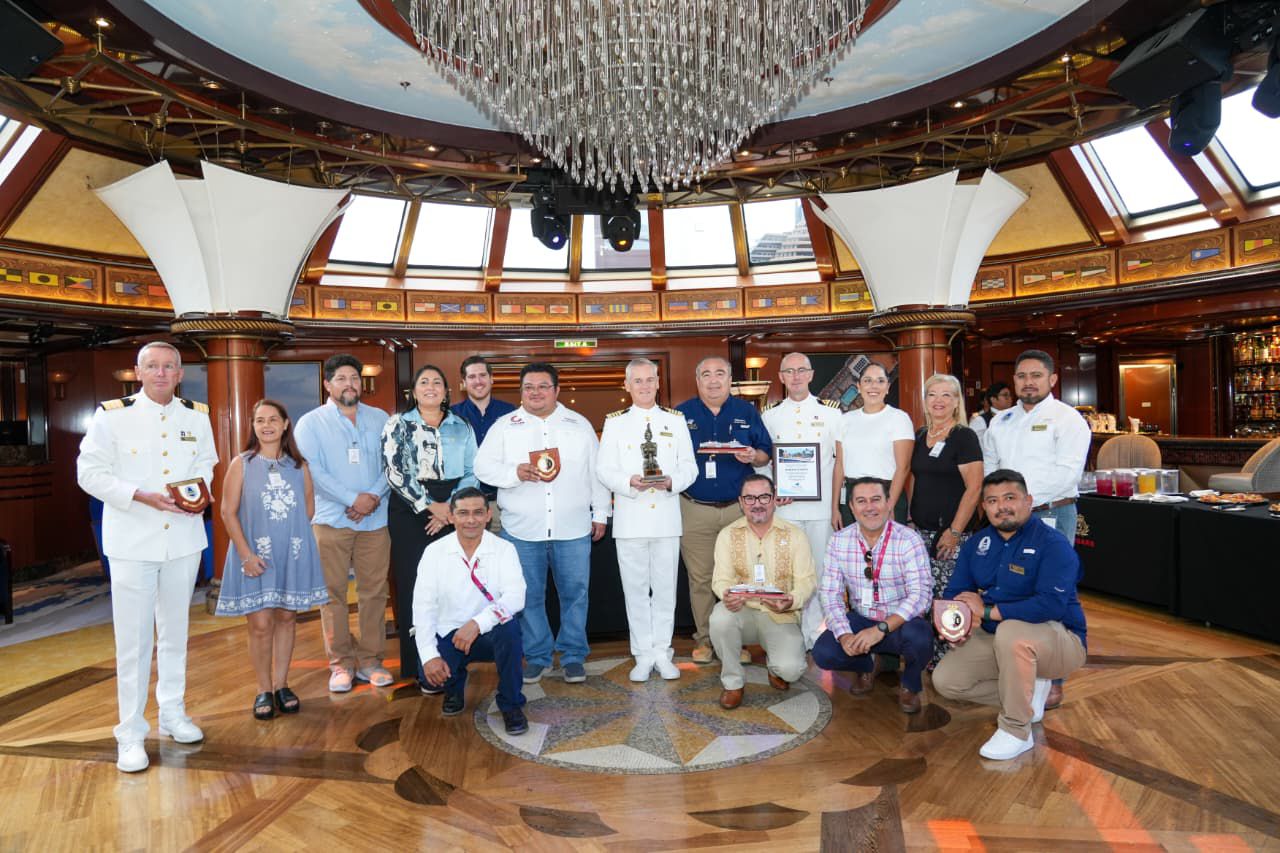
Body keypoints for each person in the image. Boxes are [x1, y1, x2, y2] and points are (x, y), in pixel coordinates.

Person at [76, 341, 217, 773]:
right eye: (152, 366)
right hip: (133, 542)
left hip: (183, 541)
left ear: (179, 374)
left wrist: (196, 493)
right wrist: (139, 496)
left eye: (169, 367)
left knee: (176, 633)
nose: (160, 373)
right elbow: (88, 473)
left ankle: (172, 715)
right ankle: (131, 733)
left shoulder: (197, 415)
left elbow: (208, 464)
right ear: (138, 373)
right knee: (134, 642)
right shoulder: (112, 416)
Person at [931, 469, 1088, 760]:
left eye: (1010, 498)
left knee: (1010, 631)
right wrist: (957, 624)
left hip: (1061, 640)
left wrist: (988, 611)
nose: (1001, 506)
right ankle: (1029, 694)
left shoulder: (1053, 544)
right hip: (999, 638)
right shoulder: (976, 545)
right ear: (984, 507)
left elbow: (1051, 605)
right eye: (992, 501)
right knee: (946, 681)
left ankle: (1017, 729)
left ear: (1028, 501)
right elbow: (956, 594)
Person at [474, 362, 610, 684]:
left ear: (557, 390)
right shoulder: (504, 426)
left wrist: (601, 512)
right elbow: (481, 467)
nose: (535, 393)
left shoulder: (579, 425)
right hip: (522, 530)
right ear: (521, 392)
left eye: (542, 386)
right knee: (528, 596)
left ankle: (574, 655)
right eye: (528, 387)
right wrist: (514, 473)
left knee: (576, 593)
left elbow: (597, 472)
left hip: (573, 527)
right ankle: (537, 656)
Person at [981, 349, 1090, 711]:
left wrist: (1018, 504)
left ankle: (1054, 676)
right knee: (1011, 590)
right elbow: (991, 470)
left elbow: (1067, 474)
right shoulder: (1001, 421)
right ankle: (1018, 666)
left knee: (1054, 596)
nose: (1029, 382)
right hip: (1005, 522)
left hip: (1050, 516)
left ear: (1052, 380)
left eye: (1036, 376)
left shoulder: (1068, 419)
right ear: (1014, 381)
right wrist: (1002, 506)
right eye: (1022, 376)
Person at [215, 399, 328, 720]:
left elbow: (308, 509)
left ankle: (282, 685)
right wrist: (246, 553)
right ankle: (263, 689)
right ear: (252, 426)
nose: (266, 425)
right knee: (261, 624)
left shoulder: (299, 466)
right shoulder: (243, 464)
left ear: (285, 424)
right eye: (260, 420)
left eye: (273, 420)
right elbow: (227, 511)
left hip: (290, 553)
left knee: (287, 618)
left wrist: (292, 542)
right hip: (254, 555)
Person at [294, 354, 393, 693]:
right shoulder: (310, 423)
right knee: (332, 594)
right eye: (341, 378)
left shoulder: (381, 418)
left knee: (374, 593)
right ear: (328, 385)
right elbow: (313, 471)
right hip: (331, 520)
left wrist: (372, 498)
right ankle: (340, 665)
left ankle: (370, 661)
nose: (349, 384)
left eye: (354, 377)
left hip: (376, 519)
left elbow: (392, 465)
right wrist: (353, 499)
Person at [597, 357, 698, 681]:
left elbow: (689, 467)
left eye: (649, 379)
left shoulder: (675, 420)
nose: (644, 386)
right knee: (636, 590)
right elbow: (604, 469)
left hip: (666, 518)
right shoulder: (614, 422)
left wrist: (671, 482)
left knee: (666, 589)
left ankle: (663, 653)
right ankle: (642, 654)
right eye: (637, 381)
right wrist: (628, 481)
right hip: (631, 520)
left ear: (658, 383)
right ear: (626, 386)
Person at [382, 364, 478, 695]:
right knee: (415, 587)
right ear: (414, 391)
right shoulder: (398, 424)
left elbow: (471, 471)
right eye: (424, 382)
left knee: (452, 587)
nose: (431, 386)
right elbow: (395, 473)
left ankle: (454, 661)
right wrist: (429, 506)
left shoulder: (461, 426)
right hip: (411, 511)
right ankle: (422, 666)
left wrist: (450, 508)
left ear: (448, 391)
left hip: (453, 508)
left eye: (438, 381)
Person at [676, 356, 773, 664]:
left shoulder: (747, 411)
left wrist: (752, 456)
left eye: (720, 374)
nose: (714, 380)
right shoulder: (681, 414)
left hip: (738, 510)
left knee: (740, 577)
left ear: (730, 379)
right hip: (694, 508)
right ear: (698, 380)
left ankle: (737, 641)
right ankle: (705, 640)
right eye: (706, 374)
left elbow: (765, 455)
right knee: (701, 579)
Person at [812, 477, 933, 713]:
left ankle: (910, 684)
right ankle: (868, 664)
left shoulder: (909, 539)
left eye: (876, 499)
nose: (870, 507)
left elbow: (920, 596)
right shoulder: (839, 541)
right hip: (862, 617)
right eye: (861, 501)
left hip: (900, 621)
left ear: (889, 503)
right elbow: (829, 594)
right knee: (824, 652)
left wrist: (880, 629)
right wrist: (845, 634)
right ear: (852, 508)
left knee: (921, 638)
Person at [415, 488, 528, 735]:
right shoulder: (434, 552)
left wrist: (478, 623)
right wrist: (428, 656)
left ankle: (511, 705)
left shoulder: (504, 549)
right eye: (463, 513)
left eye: (478, 513)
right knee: (427, 675)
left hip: (489, 633)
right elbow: (423, 607)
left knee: (510, 629)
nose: (471, 520)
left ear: (488, 515)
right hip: (448, 632)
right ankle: (454, 687)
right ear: (452, 516)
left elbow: (516, 597)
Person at [756, 352, 841, 649]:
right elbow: (764, 463)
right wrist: (773, 489)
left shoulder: (832, 414)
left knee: (818, 570)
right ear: (780, 377)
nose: (795, 376)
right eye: (789, 371)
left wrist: (835, 507)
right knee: (787, 569)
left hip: (820, 509)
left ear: (811, 374)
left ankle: (816, 632)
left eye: (800, 370)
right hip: (785, 508)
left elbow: (839, 461)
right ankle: (790, 632)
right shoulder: (770, 415)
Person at [709, 474, 816, 709]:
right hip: (742, 611)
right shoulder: (728, 534)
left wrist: (791, 600)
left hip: (779, 614)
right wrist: (727, 595)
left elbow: (807, 581)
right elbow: (721, 579)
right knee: (719, 619)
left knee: (791, 670)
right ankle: (733, 683)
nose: (757, 503)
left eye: (764, 496)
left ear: (775, 498)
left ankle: (775, 666)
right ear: (740, 501)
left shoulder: (795, 535)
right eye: (749, 498)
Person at [908, 374, 983, 665]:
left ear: (956, 402)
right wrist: (912, 517)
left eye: (946, 395)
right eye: (932, 395)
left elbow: (974, 488)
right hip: (921, 532)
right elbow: (916, 479)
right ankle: (928, 656)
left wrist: (954, 531)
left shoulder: (963, 436)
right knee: (924, 596)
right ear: (925, 401)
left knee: (949, 598)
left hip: (953, 534)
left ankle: (951, 662)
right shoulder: (920, 435)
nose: (938, 401)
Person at [833, 361, 914, 529]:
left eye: (880, 381)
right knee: (854, 552)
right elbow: (839, 465)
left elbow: (903, 467)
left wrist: (889, 504)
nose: (873, 386)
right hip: (852, 496)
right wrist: (834, 507)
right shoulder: (845, 420)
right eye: (868, 380)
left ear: (888, 387)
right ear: (859, 386)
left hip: (885, 494)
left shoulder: (899, 418)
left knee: (887, 552)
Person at [451, 355, 516, 532]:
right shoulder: (451, 416)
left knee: (504, 556)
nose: (478, 381)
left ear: (491, 379)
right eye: (471, 377)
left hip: (502, 502)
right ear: (464, 382)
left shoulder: (511, 414)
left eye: (482, 375)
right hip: (464, 504)